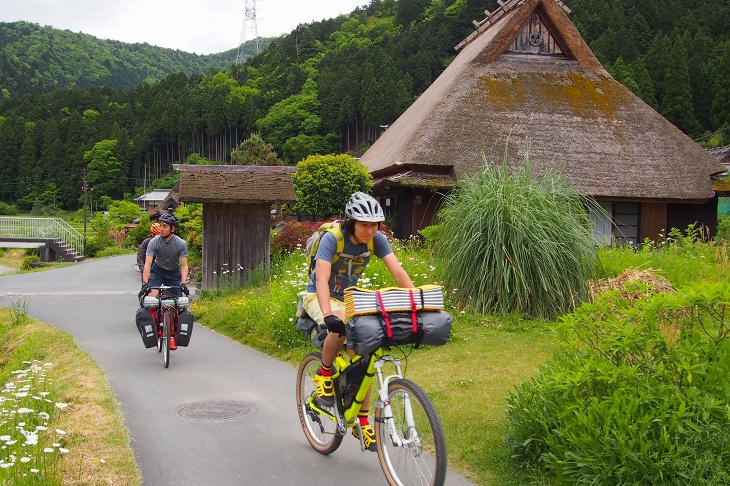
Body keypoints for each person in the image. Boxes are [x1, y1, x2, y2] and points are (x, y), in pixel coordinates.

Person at [302, 191, 415, 451]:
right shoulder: (333, 239)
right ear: (351, 222)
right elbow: (321, 278)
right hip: (319, 297)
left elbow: (397, 271)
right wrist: (328, 313)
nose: (370, 230)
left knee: (365, 359)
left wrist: (416, 302)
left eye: (375, 224)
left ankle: (362, 421)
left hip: (351, 299)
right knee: (342, 324)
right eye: (364, 224)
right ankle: (325, 373)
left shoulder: (377, 240)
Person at [141, 209, 189, 302]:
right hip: (158, 271)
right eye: (161, 226)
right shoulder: (153, 242)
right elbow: (147, 264)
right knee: (151, 299)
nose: (161, 229)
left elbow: (184, 266)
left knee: (178, 303)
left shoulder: (181, 243)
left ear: (173, 229)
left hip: (173, 272)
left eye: (165, 226)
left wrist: (183, 283)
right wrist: (145, 283)